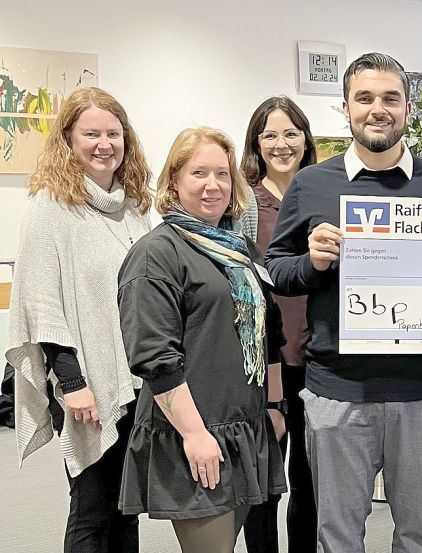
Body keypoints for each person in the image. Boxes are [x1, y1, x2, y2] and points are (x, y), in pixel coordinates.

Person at [265, 52, 422, 553]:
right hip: (337, 393)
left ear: (407, 108)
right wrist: (311, 262)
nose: (377, 109)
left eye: (390, 98)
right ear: (345, 107)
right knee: (337, 537)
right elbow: (275, 269)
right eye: (365, 98)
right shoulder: (312, 184)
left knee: (421, 536)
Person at [116, 127, 286, 552]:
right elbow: (154, 357)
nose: (214, 186)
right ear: (173, 181)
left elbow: (271, 334)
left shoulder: (239, 248)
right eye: (199, 173)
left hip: (245, 427)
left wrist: (274, 406)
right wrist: (194, 434)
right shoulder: (157, 252)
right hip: (193, 433)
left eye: (223, 175)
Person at [5, 87, 153, 553]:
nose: (104, 144)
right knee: (90, 509)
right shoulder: (50, 208)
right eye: (91, 133)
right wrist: (72, 382)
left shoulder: (134, 209)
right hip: (87, 381)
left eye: (113, 133)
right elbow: (41, 304)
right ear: (68, 139)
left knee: (127, 507)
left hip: (136, 380)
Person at [239, 95, 318, 553]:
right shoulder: (245, 204)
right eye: (269, 134)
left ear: (305, 139)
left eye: (290, 133)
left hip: (319, 358)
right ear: (256, 143)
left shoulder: (324, 194)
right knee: (266, 481)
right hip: (266, 361)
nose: (281, 143)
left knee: (310, 481)